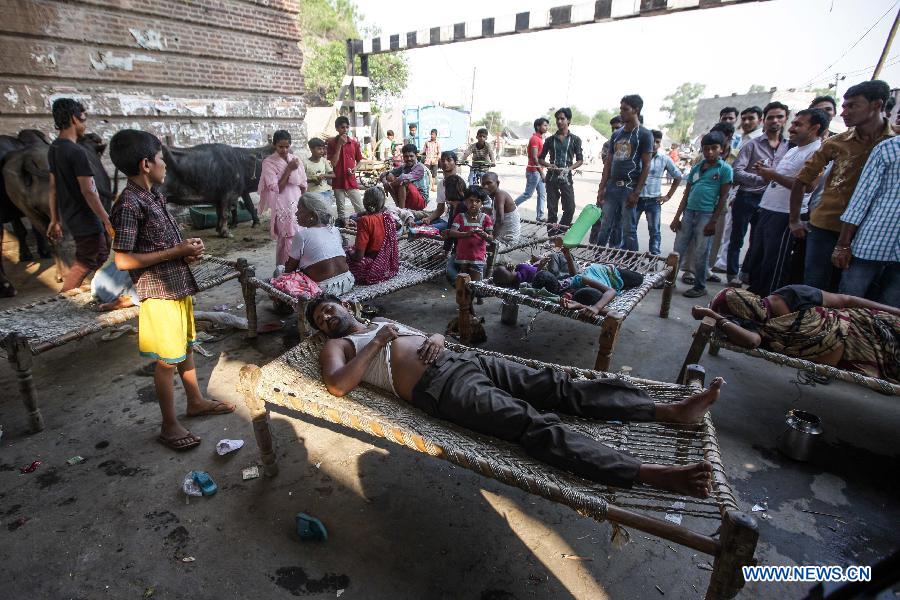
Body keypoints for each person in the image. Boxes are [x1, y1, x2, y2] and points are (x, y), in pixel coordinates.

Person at [308, 296, 722, 497]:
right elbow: (338, 385)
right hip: (443, 388)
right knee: (532, 424)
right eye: (321, 319)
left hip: (463, 359)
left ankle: (667, 410)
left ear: (345, 303)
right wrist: (377, 342)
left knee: (557, 385)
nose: (328, 316)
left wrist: (435, 335)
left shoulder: (379, 318)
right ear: (323, 330)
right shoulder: (341, 345)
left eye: (328, 307)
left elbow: (422, 337)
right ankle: (644, 472)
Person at [109, 129, 234, 452]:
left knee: (185, 348)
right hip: (158, 294)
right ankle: (168, 425)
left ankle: (195, 401)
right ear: (146, 164)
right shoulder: (128, 204)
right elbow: (122, 259)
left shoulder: (153, 195)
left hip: (178, 286)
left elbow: (165, 243)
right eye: (162, 158)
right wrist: (174, 253)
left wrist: (187, 249)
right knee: (166, 361)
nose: (166, 164)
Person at [790, 80, 896, 293]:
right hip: (826, 225)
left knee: (853, 292)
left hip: (870, 232)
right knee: (814, 287)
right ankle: (808, 325)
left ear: (877, 105)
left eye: (852, 106)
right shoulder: (836, 143)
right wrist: (794, 221)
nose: (844, 112)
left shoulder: (894, 143)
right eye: (844, 106)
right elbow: (802, 180)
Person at [695, 286, 900, 383]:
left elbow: (845, 299)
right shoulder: (757, 326)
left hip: (868, 326)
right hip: (867, 353)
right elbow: (751, 341)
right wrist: (715, 317)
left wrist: (895, 311)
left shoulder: (792, 294)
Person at [743, 109, 829, 297]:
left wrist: (772, 174)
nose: (791, 128)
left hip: (784, 215)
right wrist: (767, 172)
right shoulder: (794, 150)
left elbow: (808, 186)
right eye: (793, 123)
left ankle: (767, 305)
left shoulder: (817, 152)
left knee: (774, 264)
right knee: (759, 258)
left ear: (815, 128)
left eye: (798, 124)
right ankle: (752, 301)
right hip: (768, 210)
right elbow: (782, 178)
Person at [46, 98, 113, 292]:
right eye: (83, 119)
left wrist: (54, 219)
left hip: (70, 216)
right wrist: (106, 219)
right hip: (85, 218)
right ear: (74, 119)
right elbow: (89, 191)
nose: (85, 124)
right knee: (87, 258)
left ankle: (107, 292)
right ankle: (64, 298)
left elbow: (52, 187)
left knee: (101, 255)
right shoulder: (77, 152)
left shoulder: (54, 148)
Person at [727, 102, 789, 287]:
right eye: (771, 117)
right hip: (747, 196)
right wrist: (763, 178)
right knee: (737, 238)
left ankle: (748, 272)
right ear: (764, 121)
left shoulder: (789, 147)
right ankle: (732, 274)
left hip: (771, 200)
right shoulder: (752, 145)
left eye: (779, 117)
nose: (775, 121)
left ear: (785, 119)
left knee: (759, 240)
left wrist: (773, 178)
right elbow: (737, 171)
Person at [833, 136, 899, 306]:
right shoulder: (888, 148)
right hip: (872, 241)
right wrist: (843, 244)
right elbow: (861, 198)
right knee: (849, 302)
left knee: (890, 311)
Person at [670, 132, 733, 298]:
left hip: (707, 215)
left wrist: (713, 222)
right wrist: (677, 217)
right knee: (678, 249)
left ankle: (700, 285)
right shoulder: (697, 168)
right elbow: (687, 193)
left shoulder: (725, 170)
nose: (710, 152)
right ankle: (669, 280)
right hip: (689, 212)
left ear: (721, 150)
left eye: (714, 148)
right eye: (706, 149)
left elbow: (723, 197)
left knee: (701, 252)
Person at [594, 95, 653, 250]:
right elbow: (608, 163)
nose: (621, 112)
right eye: (621, 108)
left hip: (629, 187)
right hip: (612, 186)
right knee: (604, 225)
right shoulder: (617, 134)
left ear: (636, 110)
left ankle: (630, 265)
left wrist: (637, 192)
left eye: (625, 109)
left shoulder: (645, 135)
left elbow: (647, 165)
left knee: (628, 229)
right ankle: (596, 259)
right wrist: (602, 187)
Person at [712, 107, 764, 274]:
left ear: (760, 120)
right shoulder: (742, 140)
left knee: (742, 235)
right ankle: (727, 267)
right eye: (745, 118)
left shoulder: (754, 142)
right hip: (738, 193)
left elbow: (737, 172)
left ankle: (734, 269)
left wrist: (764, 179)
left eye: (751, 118)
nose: (747, 122)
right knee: (732, 232)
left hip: (747, 193)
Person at [285, 193, 354, 296]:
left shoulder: (302, 235)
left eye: (300, 210)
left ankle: (283, 306)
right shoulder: (334, 230)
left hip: (324, 288)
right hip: (348, 281)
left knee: (280, 272)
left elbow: (290, 269)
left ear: (312, 216)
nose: (296, 214)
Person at [258, 130, 307, 268]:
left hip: (297, 201)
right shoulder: (268, 162)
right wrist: (289, 170)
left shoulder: (295, 159)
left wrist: (303, 202)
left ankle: (302, 267)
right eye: (280, 147)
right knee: (286, 236)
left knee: (300, 233)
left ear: (290, 145)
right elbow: (277, 188)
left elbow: (303, 184)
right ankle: (286, 270)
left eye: (287, 146)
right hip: (282, 204)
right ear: (274, 145)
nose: (284, 150)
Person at [632, 130, 682, 255]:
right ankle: (630, 255)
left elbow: (678, 176)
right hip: (636, 199)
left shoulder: (665, 159)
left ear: (660, 143)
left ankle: (654, 256)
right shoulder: (637, 156)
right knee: (630, 229)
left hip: (654, 200)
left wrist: (668, 196)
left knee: (654, 230)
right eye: (652, 141)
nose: (654, 144)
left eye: (657, 142)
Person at [539, 108, 584, 229]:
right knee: (552, 211)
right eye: (557, 119)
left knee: (570, 209)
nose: (559, 121)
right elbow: (540, 159)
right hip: (551, 178)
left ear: (568, 120)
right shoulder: (550, 140)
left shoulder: (575, 139)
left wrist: (569, 168)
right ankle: (551, 239)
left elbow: (580, 160)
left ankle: (559, 233)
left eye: (562, 118)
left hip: (566, 178)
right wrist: (549, 165)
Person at [345, 187, 399, 285]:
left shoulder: (365, 220)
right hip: (387, 265)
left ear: (364, 202)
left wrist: (349, 253)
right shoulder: (388, 217)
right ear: (382, 203)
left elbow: (358, 256)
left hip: (372, 268)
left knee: (345, 254)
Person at [445, 186, 493, 282]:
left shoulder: (486, 218)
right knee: (464, 284)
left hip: (478, 257)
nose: (474, 204)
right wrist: (467, 234)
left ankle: (475, 294)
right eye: (471, 200)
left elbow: (491, 238)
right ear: (465, 202)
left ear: (482, 203)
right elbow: (452, 232)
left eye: (477, 201)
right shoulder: (460, 217)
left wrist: (484, 235)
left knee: (475, 285)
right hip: (463, 257)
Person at [326, 116, 365, 224]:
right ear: (337, 129)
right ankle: (344, 234)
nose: (345, 130)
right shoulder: (332, 143)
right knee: (341, 212)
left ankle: (364, 226)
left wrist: (355, 169)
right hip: (338, 180)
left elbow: (360, 161)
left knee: (360, 208)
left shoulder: (354, 143)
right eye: (342, 127)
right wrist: (339, 145)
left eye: (347, 127)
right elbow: (333, 163)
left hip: (351, 180)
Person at [514, 117, 549, 221]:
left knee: (542, 194)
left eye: (547, 125)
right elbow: (534, 157)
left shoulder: (539, 139)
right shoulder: (534, 139)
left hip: (538, 171)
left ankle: (540, 216)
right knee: (528, 194)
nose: (547, 127)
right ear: (538, 126)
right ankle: (510, 207)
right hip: (534, 171)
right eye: (545, 125)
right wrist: (542, 172)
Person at [380, 144, 428, 210]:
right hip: (409, 198)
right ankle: (399, 207)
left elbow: (403, 178)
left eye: (411, 156)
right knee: (389, 176)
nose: (409, 159)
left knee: (403, 182)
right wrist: (385, 182)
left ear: (416, 156)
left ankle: (401, 211)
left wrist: (389, 185)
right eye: (406, 156)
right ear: (403, 157)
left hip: (421, 201)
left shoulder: (420, 167)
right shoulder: (404, 166)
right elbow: (383, 174)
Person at [481, 172, 521, 248]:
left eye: (489, 183)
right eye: (483, 184)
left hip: (507, 240)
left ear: (497, 183)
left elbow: (500, 220)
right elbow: (494, 211)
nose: (486, 186)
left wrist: (492, 237)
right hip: (504, 236)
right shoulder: (495, 196)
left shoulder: (500, 195)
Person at [304, 137, 334, 205]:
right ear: (311, 149)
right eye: (319, 149)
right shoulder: (305, 163)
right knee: (315, 213)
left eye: (323, 148)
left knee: (326, 213)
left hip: (326, 192)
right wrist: (312, 180)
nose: (322, 151)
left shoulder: (323, 161)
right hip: (312, 194)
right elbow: (301, 180)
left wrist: (324, 175)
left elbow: (333, 175)